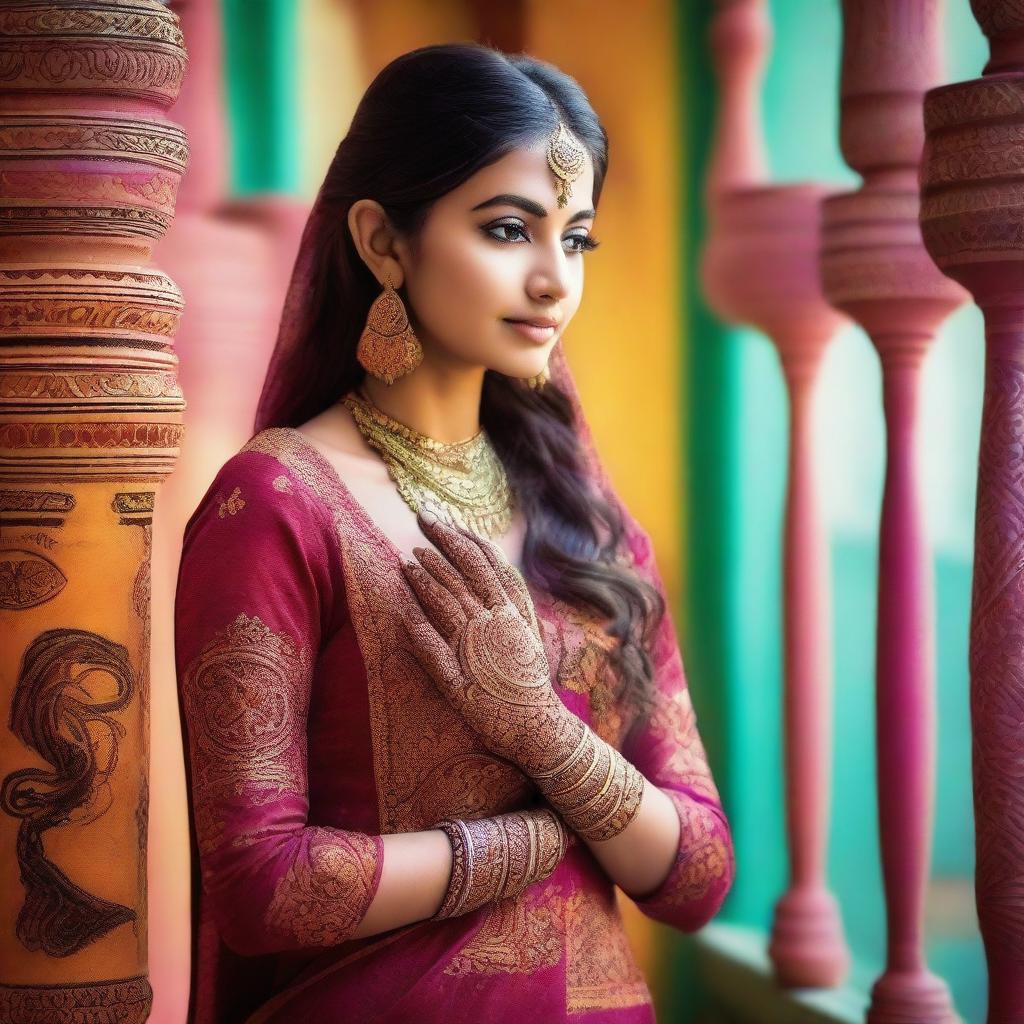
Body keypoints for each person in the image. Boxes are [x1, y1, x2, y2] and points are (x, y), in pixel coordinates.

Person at [174, 41, 735, 1024]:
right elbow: (262, 884)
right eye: (509, 228)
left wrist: (545, 739)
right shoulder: (273, 505)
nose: (554, 280)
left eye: (576, 238)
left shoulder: (590, 525)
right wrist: (533, 841)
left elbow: (696, 875)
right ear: (384, 242)